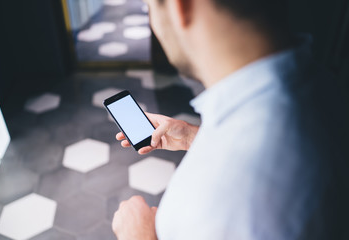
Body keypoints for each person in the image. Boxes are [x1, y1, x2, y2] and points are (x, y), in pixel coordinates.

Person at [112, 0, 349, 239]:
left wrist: (139, 236)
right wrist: (193, 136)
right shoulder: (324, 83)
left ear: (180, 7)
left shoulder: (225, 199)